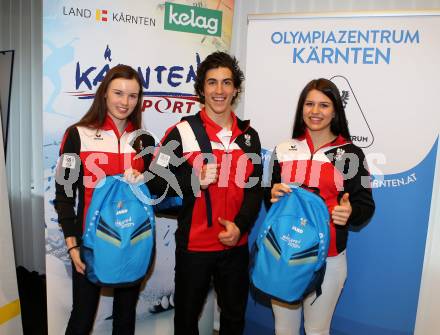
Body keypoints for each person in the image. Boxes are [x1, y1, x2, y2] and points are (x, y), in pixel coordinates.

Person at [149, 51, 263, 335]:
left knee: (234, 320)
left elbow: (254, 189)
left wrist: (240, 226)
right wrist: (193, 179)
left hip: (235, 246)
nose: (219, 90)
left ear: (236, 88)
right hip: (194, 247)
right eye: (212, 83)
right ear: (201, 89)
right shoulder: (181, 132)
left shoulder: (249, 136)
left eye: (226, 82)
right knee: (186, 321)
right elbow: (154, 182)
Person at [268, 78, 375, 335]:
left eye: (324, 105)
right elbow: (268, 196)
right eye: (309, 104)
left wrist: (350, 213)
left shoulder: (351, 154)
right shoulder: (283, 149)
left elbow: (365, 205)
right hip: (285, 254)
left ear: (335, 110)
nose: (315, 111)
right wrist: (271, 193)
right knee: (284, 330)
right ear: (301, 108)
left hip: (329, 259)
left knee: (317, 331)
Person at [54, 64, 155, 335]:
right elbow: (64, 195)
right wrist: (73, 246)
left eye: (132, 96)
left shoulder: (144, 141)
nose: (125, 102)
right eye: (118, 93)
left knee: (125, 320)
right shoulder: (77, 134)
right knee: (82, 319)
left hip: (133, 241)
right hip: (90, 245)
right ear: (104, 94)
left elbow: (156, 192)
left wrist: (143, 181)